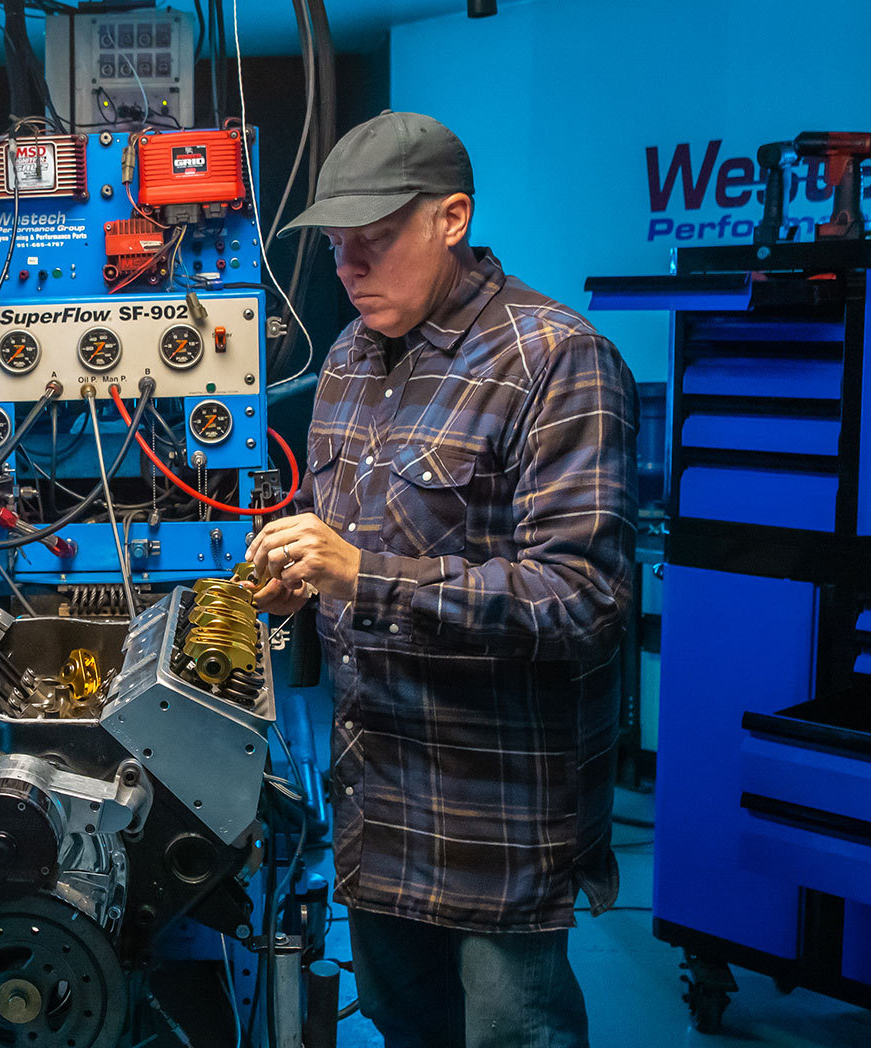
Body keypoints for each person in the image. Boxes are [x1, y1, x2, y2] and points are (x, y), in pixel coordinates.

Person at [247, 111, 637, 1048]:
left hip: (492, 815)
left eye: (374, 241)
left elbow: (583, 597)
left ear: (452, 218)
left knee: (512, 1032)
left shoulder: (555, 359)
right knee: (404, 1023)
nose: (349, 269)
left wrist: (365, 576)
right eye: (337, 248)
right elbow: (343, 546)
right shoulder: (349, 358)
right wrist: (298, 579)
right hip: (375, 797)